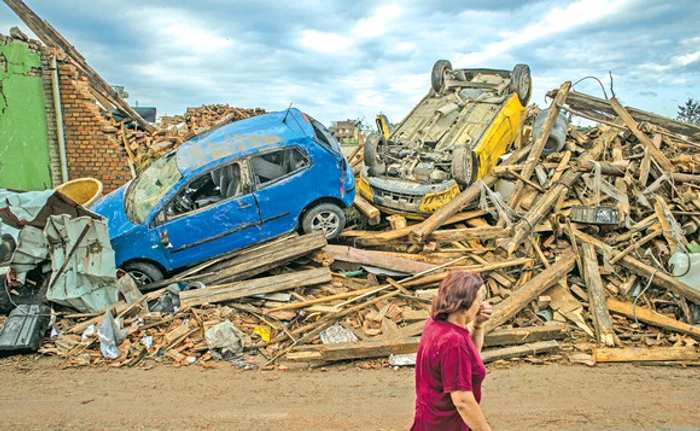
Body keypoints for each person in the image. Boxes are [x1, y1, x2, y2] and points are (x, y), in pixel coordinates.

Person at [410, 271, 493, 431]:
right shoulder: (453, 342)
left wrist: (478, 325)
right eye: (479, 300)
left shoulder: (435, 325)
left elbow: (469, 362)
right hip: (446, 426)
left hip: (429, 420)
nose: (481, 306)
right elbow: (462, 401)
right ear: (464, 306)